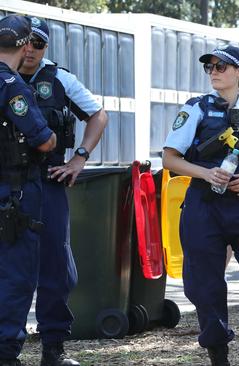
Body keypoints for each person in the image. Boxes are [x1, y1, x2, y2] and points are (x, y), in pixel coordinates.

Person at [162, 45, 239, 366]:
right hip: (203, 209)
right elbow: (169, 159)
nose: (215, 71)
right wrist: (206, 172)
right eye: (211, 67)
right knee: (205, 290)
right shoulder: (195, 109)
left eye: (222, 66)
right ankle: (218, 356)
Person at [17, 17, 108, 366]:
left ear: (46, 47)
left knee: (56, 266)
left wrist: (80, 159)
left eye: (38, 43)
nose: (30, 50)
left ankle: (53, 348)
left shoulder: (59, 79)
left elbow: (98, 115)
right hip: (6, 181)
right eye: (24, 41)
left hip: (47, 180)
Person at [0, 14, 57, 366]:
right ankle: (5, 353)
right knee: (16, 277)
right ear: (23, 45)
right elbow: (44, 141)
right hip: (15, 194)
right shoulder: (13, 87)